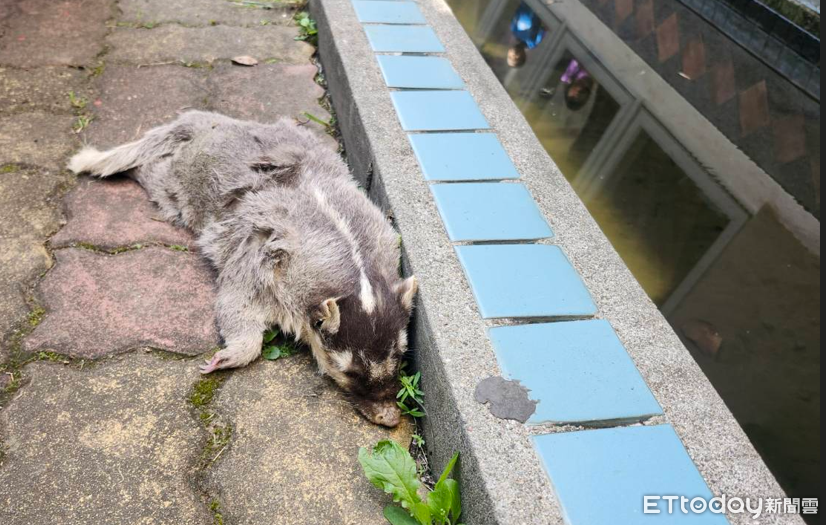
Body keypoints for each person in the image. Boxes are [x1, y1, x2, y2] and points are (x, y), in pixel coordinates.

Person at [508, 2, 546, 68]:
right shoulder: (532, 43)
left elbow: (517, 12)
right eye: (516, 58)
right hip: (541, 6)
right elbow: (543, 29)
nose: (513, 55)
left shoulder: (514, 31)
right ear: (524, 56)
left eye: (510, 57)